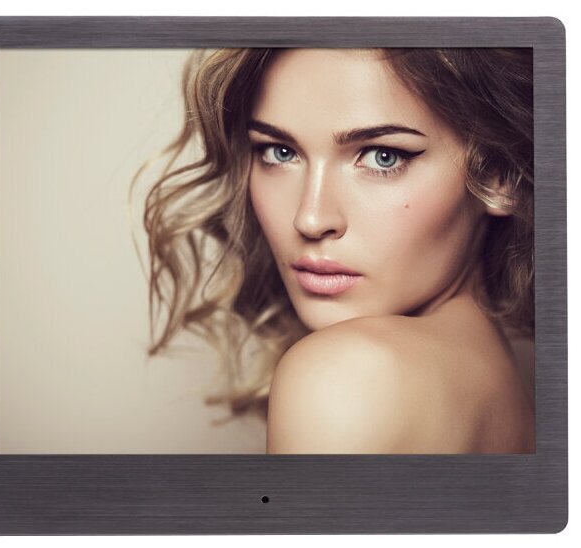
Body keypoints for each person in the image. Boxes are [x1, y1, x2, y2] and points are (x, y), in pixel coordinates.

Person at [136, 47, 534, 454]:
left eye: (383, 157)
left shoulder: (347, 376)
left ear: (500, 175)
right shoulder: (499, 390)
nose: (310, 219)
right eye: (279, 152)